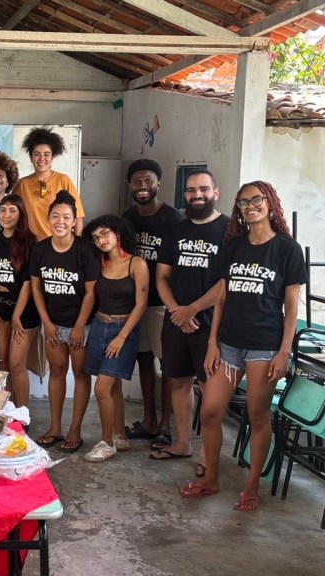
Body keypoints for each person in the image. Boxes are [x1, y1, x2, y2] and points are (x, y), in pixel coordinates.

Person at [180, 181, 307, 513]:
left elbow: (292, 307)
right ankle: (211, 479)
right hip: (229, 346)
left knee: (257, 415)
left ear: (269, 202)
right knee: (209, 411)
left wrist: (284, 352)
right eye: (243, 202)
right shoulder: (234, 246)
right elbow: (221, 297)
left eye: (256, 200)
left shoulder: (288, 250)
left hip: (265, 347)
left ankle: (251, 486)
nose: (249, 206)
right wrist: (212, 343)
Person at [151, 170, 228, 466]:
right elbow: (162, 278)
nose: (197, 194)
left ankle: (208, 457)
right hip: (176, 321)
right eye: (191, 190)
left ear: (215, 193)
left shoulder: (230, 231)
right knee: (179, 382)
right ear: (184, 195)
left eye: (204, 189)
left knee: (210, 388)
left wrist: (192, 309)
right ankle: (182, 443)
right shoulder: (176, 231)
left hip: (212, 323)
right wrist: (177, 312)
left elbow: (226, 283)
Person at [121, 159, 184, 448]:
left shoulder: (174, 219)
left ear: (158, 183)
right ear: (130, 185)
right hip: (137, 303)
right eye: (137, 181)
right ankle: (148, 420)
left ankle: (165, 426)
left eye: (148, 181)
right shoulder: (127, 218)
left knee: (167, 364)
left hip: (163, 303)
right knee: (143, 360)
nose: (142, 186)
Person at [29, 191, 99, 454]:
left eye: (66, 217)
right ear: (48, 219)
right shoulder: (40, 249)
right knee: (57, 372)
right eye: (55, 216)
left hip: (80, 324)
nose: (60, 221)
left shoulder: (85, 250)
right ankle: (55, 428)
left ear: (74, 222)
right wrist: (46, 323)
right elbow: (36, 288)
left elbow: (91, 292)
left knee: (81, 374)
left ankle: (75, 430)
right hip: (52, 324)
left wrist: (80, 325)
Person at [81, 215, 148, 463]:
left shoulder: (137, 264)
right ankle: (120, 436)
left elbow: (140, 305)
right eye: (96, 238)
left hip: (124, 329)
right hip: (99, 326)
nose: (101, 240)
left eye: (105, 234)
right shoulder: (100, 264)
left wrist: (121, 337)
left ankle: (106, 443)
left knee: (101, 388)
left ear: (118, 233)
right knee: (114, 386)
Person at [0, 195, 39, 409]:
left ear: (21, 214)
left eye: (12, 210)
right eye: (3, 210)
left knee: (16, 364)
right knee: (2, 363)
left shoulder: (29, 241)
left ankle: (22, 414)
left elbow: (29, 283)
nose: (7, 215)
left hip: (24, 314)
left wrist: (16, 316)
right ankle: (7, 409)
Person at [13, 127, 85, 240]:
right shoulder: (23, 184)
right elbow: (14, 215)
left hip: (58, 245)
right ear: (31, 158)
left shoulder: (63, 180)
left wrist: (76, 244)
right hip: (29, 245)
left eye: (46, 154)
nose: (42, 158)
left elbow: (78, 216)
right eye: (37, 154)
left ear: (52, 158)